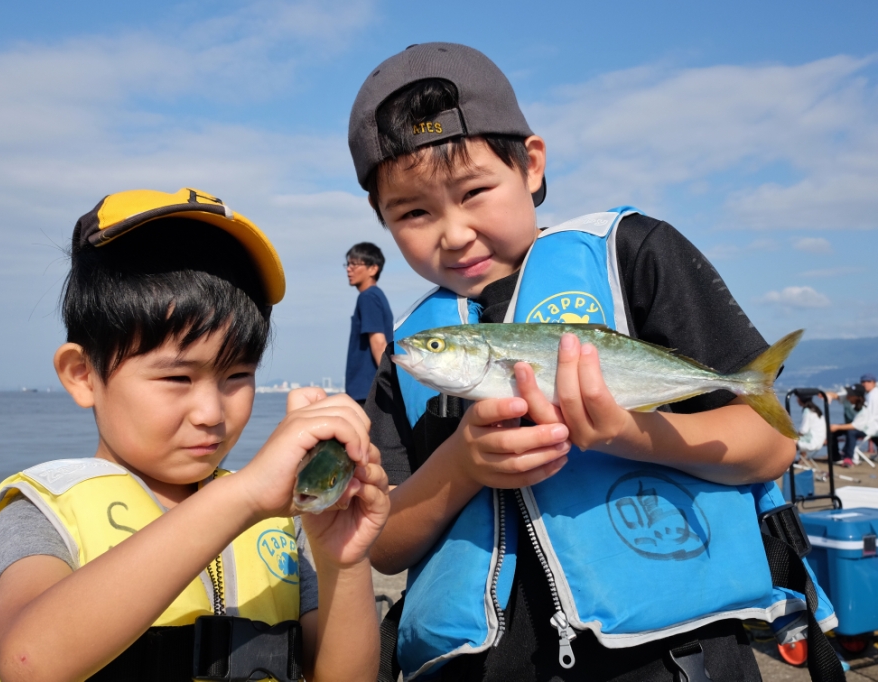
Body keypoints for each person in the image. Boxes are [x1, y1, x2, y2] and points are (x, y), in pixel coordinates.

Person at [347, 44, 822, 682]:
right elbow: (384, 546)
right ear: (382, 219)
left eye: (475, 191)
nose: (454, 233)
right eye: (413, 212)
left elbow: (771, 448)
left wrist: (628, 431)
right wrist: (461, 464)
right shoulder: (411, 354)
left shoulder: (634, 258)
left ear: (532, 165)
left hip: (674, 661)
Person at [0, 188, 388, 681]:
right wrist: (243, 496)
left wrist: (343, 564)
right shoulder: (43, 513)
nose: (211, 412)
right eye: (178, 378)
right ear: (83, 375)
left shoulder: (285, 524)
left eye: (238, 376)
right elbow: (29, 662)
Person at [344, 242, 393, 405]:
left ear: (373, 269)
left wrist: (392, 384)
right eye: (348, 264)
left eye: (354, 264)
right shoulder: (377, 296)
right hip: (370, 390)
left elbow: (379, 344)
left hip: (368, 392)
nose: (348, 269)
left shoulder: (368, 297)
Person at [829, 377, 877, 466]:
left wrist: (837, 426)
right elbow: (835, 396)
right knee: (832, 432)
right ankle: (835, 457)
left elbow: (855, 426)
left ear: (857, 397)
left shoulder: (863, 409)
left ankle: (848, 457)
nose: (848, 396)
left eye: (850, 395)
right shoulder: (847, 399)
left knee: (851, 432)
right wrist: (827, 395)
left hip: (866, 428)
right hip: (853, 425)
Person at [793, 391, 826, 462]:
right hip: (819, 441)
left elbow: (803, 430)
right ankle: (801, 460)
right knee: (798, 439)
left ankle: (787, 464)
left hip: (812, 442)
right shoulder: (816, 409)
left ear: (800, 399)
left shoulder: (807, 411)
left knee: (789, 442)